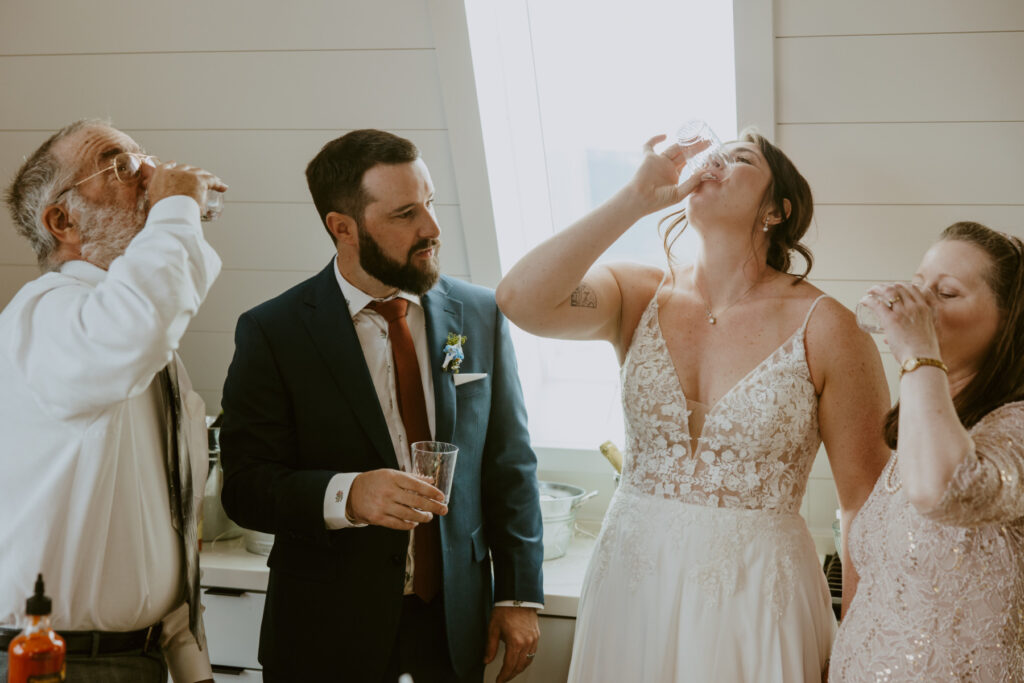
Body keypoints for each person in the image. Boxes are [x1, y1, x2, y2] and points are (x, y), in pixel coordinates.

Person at [496, 131, 891, 682]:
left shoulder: (829, 328)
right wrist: (632, 200)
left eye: (741, 158)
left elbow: (867, 509)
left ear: (778, 210)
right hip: (632, 590)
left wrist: (859, 644)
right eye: (714, 154)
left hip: (758, 600)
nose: (715, 163)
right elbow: (520, 299)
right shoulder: (636, 295)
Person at [219, 129, 545, 683]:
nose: (433, 229)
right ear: (342, 228)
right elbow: (246, 487)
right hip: (325, 635)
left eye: (432, 203)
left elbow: (509, 464)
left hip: (452, 627)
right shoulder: (272, 331)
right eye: (405, 214)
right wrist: (348, 494)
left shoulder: (482, 313)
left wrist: (517, 595)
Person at [0, 119, 225, 682]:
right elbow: (136, 326)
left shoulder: (153, 351)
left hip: (141, 659)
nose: (151, 174)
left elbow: (168, 522)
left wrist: (191, 666)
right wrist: (176, 210)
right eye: (120, 167)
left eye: (143, 159)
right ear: (63, 220)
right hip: (56, 663)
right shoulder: (44, 315)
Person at [829, 222, 1024, 681]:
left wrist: (918, 349)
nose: (915, 305)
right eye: (918, 287)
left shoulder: (1015, 424)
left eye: (947, 293)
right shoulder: (926, 421)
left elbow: (944, 490)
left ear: (1009, 320)